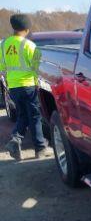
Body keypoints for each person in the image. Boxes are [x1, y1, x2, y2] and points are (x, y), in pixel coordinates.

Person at [0, 14, 52, 160]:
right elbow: (37, 68)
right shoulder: (30, 46)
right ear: (27, 29)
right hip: (28, 86)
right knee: (35, 116)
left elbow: (1, 66)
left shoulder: (4, 44)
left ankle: (15, 140)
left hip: (13, 87)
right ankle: (41, 148)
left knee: (23, 115)